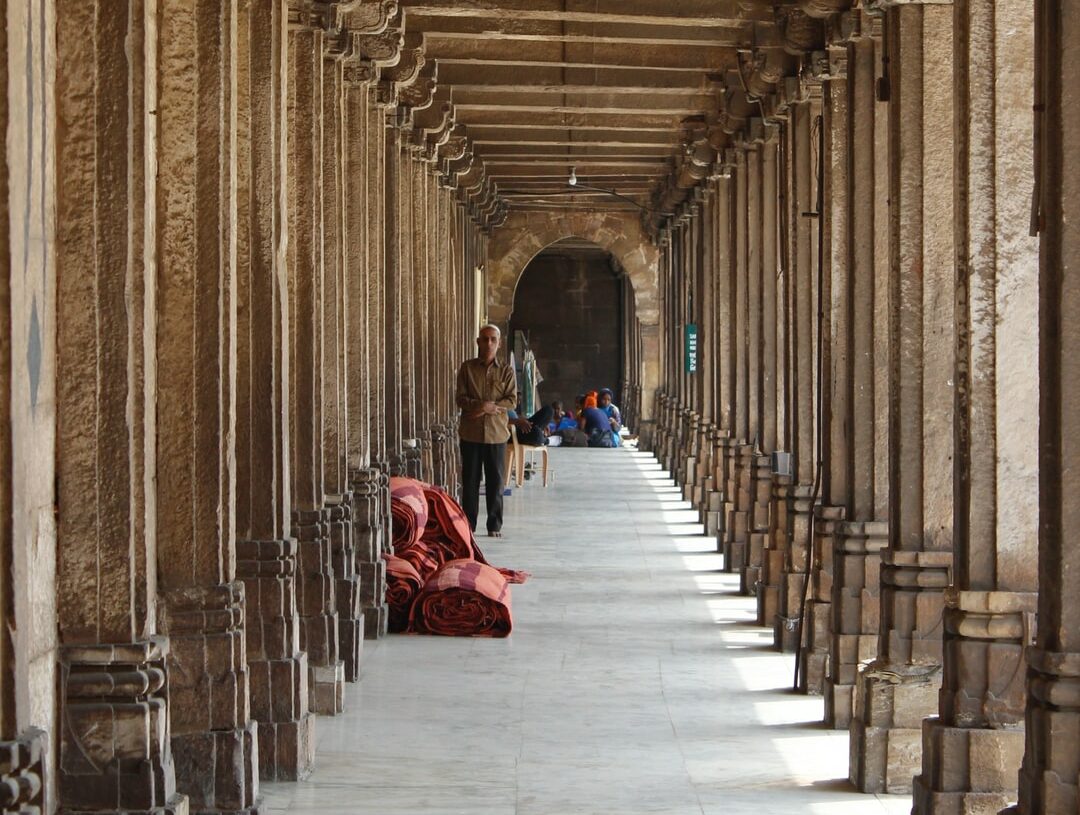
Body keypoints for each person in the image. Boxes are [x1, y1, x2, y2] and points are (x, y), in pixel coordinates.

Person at [456, 324, 517, 537]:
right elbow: (460, 398)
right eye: (485, 339)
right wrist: (481, 406)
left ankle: (494, 525)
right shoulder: (467, 368)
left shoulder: (506, 371)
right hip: (471, 433)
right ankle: (468, 524)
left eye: (493, 339)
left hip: (496, 435)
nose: (489, 343)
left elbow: (512, 400)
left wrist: (492, 407)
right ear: (478, 342)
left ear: (499, 343)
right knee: (470, 481)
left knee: (495, 482)